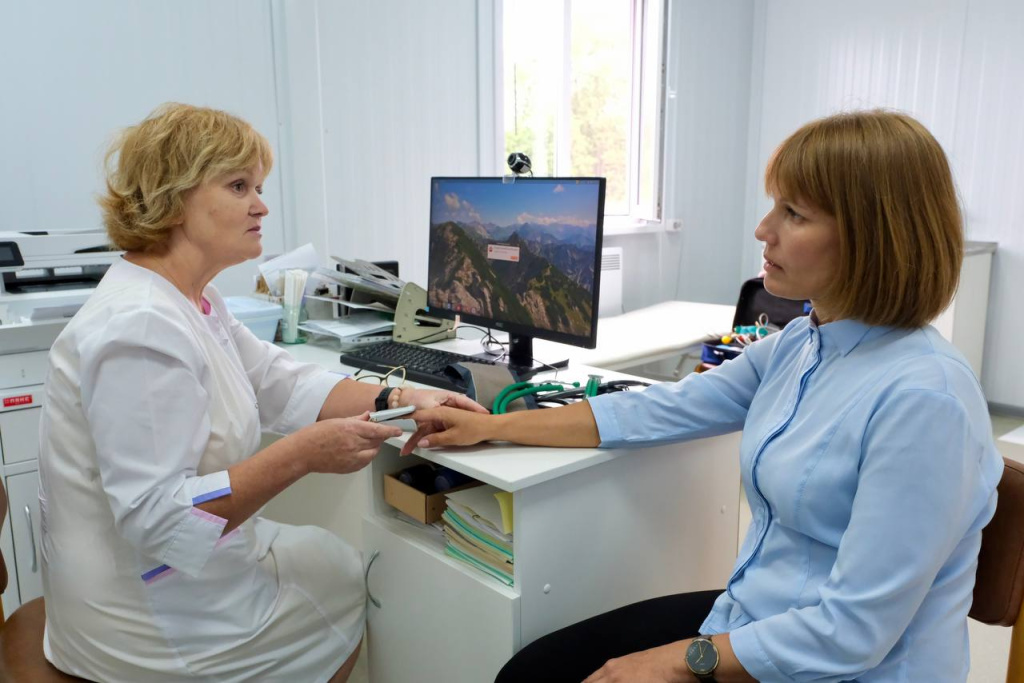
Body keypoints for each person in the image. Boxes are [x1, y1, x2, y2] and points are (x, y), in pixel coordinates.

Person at [402, 110, 1003, 682]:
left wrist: (675, 662)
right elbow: (660, 407)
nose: (763, 230)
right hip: (756, 616)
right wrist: (494, 426)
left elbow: (852, 631)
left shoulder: (926, 400)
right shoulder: (804, 342)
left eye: (793, 213)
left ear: (876, 239)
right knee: (531, 673)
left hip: (840, 665)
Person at [37, 102, 485, 682]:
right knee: (356, 584)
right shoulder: (139, 326)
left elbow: (279, 379)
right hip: (142, 615)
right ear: (174, 199)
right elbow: (155, 518)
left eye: (259, 185)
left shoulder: (189, 297)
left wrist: (402, 399)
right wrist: (300, 456)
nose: (261, 205)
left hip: (168, 569)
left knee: (342, 562)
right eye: (239, 185)